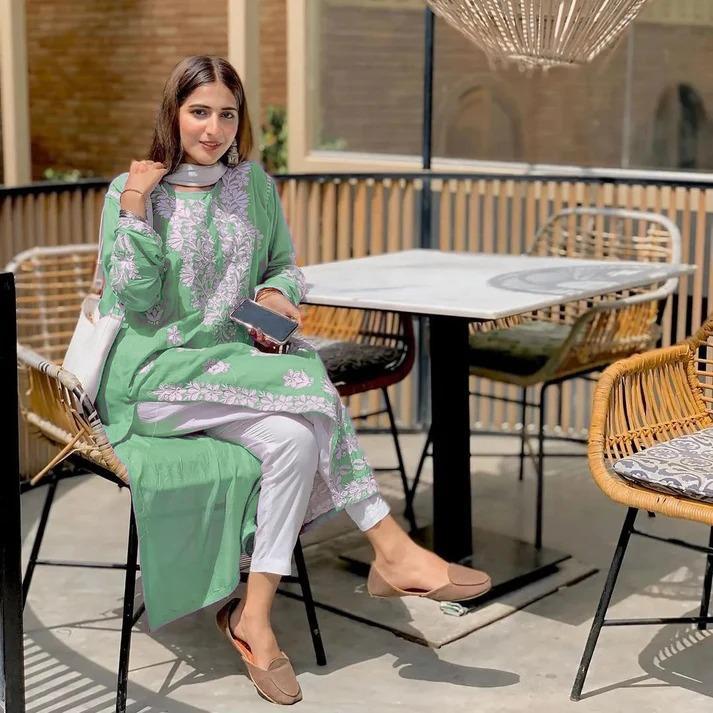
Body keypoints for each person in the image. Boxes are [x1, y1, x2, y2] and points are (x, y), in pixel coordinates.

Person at [96, 55, 491, 706]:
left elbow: (282, 263)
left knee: (296, 439)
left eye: (227, 114)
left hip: (232, 367)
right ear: (173, 113)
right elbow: (134, 299)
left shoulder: (251, 184)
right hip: (154, 375)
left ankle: (252, 616)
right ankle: (389, 545)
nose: (214, 128)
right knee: (308, 378)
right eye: (199, 112)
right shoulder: (130, 191)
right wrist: (138, 205)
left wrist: (277, 295)